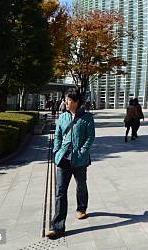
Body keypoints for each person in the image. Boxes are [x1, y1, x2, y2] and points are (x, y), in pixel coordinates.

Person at [47, 92, 95, 239]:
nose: (65, 103)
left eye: (68, 100)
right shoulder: (62, 117)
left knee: (81, 185)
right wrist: (56, 152)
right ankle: (57, 227)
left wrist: (81, 152)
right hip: (63, 160)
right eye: (66, 100)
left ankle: (81, 208)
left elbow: (90, 137)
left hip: (79, 160)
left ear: (76, 102)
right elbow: (58, 136)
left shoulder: (87, 118)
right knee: (60, 191)